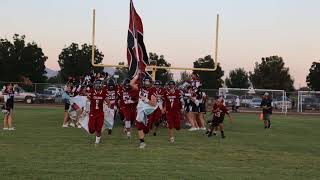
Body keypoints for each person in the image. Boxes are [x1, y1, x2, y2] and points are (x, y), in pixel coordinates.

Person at [130, 74, 157, 149]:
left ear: (151, 82)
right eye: (145, 81)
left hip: (147, 110)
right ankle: (142, 142)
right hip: (139, 109)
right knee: (138, 125)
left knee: (146, 130)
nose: (146, 83)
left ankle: (143, 137)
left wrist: (145, 99)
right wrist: (136, 76)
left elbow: (153, 104)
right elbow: (131, 84)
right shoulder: (141, 87)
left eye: (148, 82)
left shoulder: (153, 90)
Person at [87, 80, 109, 144]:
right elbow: (87, 100)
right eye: (96, 84)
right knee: (91, 130)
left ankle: (97, 142)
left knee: (99, 128)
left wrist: (108, 109)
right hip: (92, 113)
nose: (97, 86)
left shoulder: (104, 92)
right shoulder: (91, 91)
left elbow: (108, 102)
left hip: (100, 113)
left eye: (98, 84)